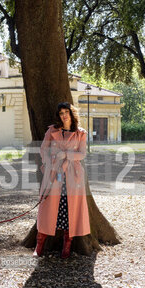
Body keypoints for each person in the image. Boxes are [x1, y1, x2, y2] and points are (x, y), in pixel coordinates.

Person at [33, 102, 91, 259]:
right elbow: (43, 149)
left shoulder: (80, 133)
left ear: (72, 114)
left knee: (69, 209)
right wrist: (50, 161)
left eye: (66, 112)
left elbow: (82, 154)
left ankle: (67, 246)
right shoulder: (52, 130)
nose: (64, 115)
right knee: (47, 208)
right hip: (54, 173)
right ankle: (39, 246)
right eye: (61, 113)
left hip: (72, 175)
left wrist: (66, 155)